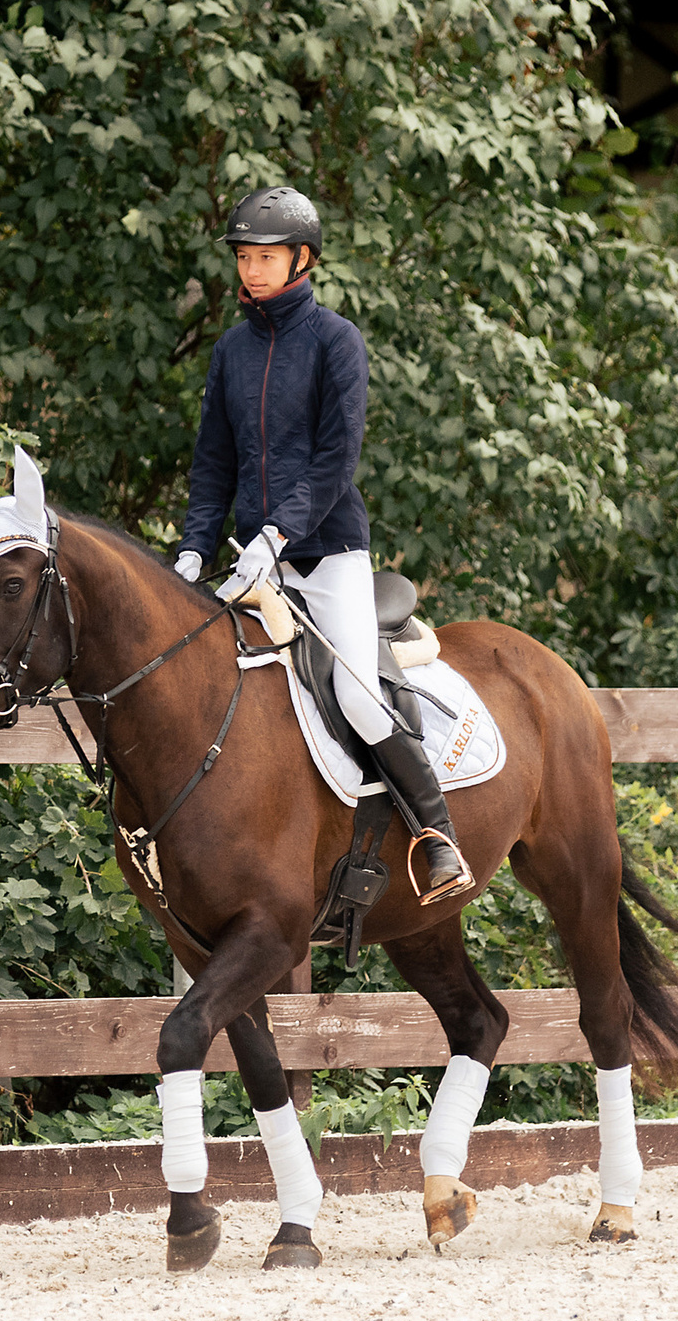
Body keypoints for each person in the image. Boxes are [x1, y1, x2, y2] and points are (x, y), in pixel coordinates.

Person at [175, 185, 473, 902]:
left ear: (302, 259)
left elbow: (336, 460)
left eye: (267, 257)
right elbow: (214, 463)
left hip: (327, 554)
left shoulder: (337, 341)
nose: (252, 270)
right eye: (245, 257)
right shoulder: (231, 351)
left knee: (359, 697)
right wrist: (191, 548)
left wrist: (278, 532)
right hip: (255, 562)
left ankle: (439, 839)